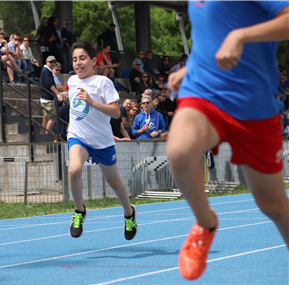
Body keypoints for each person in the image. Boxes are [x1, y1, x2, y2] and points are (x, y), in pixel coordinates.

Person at [167, 1, 289, 281]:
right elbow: (210, 33)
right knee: (180, 152)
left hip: (254, 107)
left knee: (274, 206)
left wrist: (241, 36)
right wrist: (191, 68)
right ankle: (205, 224)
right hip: (204, 90)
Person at [67, 40, 137, 240]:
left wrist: (91, 101)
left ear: (93, 60)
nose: (78, 63)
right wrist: (71, 127)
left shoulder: (103, 83)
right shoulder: (72, 81)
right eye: (74, 59)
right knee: (74, 170)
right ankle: (79, 211)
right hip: (78, 137)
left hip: (102, 141)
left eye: (82, 58)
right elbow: (74, 106)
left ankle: (129, 213)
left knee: (114, 182)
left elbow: (116, 112)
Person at [40, 55, 63, 134]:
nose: (52, 63)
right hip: (47, 98)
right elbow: (49, 84)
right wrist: (58, 94)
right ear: (47, 62)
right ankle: (47, 135)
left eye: (54, 62)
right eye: (51, 62)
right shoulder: (46, 70)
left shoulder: (47, 70)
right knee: (53, 118)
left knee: (46, 117)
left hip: (45, 97)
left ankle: (44, 134)